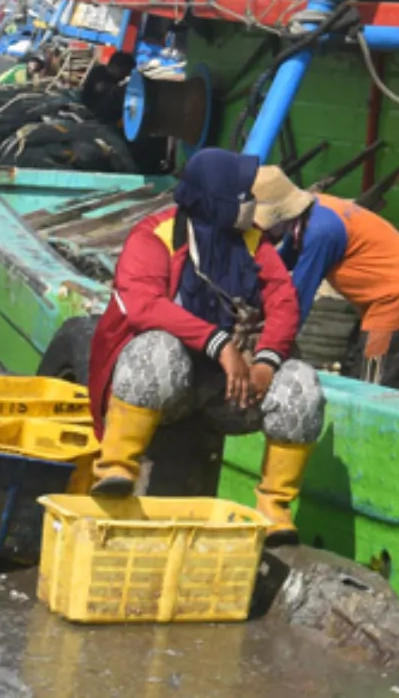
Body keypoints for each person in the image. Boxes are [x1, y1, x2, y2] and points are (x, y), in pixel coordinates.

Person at [86, 149, 324, 539]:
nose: (249, 203)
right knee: (156, 351)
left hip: (226, 391)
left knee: (301, 383)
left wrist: (265, 361)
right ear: (216, 198)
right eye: (241, 194)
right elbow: (144, 307)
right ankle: (116, 468)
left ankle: (273, 507)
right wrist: (218, 344)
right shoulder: (153, 237)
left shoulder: (252, 242)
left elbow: (282, 301)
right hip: (167, 389)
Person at [251, 168, 399, 387]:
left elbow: (298, 298)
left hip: (398, 296)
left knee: (373, 384)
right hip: (382, 295)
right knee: (354, 366)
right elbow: (281, 267)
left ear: (277, 215)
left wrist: (271, 349)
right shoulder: (309, 213)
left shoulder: (321, 231)